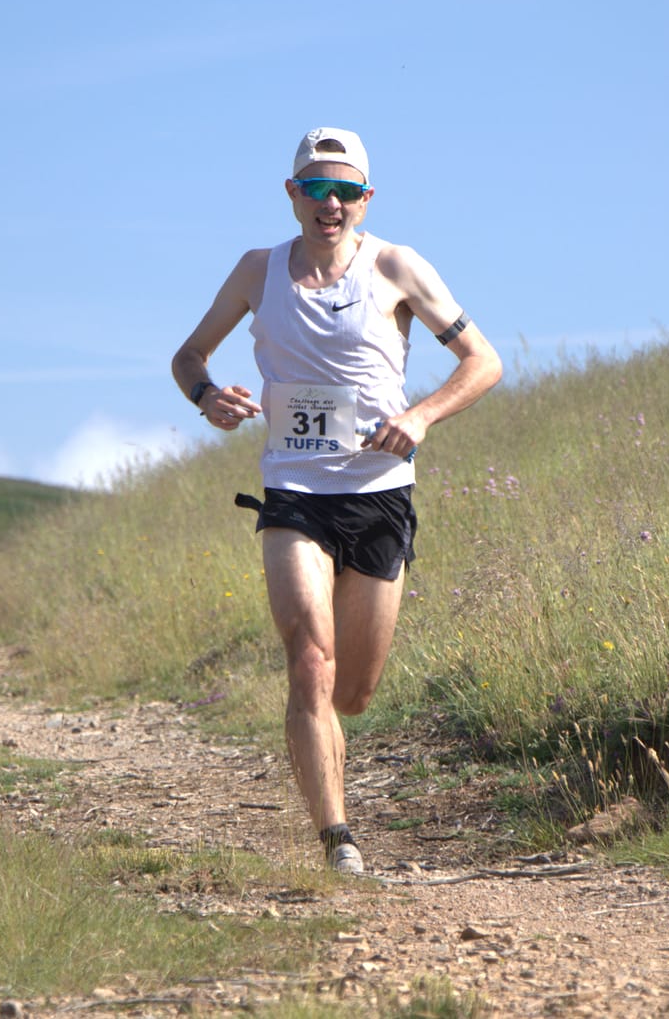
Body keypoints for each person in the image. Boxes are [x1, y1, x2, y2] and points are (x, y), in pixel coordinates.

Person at [171, 128, 502, 876]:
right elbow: (187, 355)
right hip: (293, 492)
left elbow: (485, 361)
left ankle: (332, 778)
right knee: (310, 664)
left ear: (367, 199)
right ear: (292, 193)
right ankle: (336, 838)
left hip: (379, 495)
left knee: (352, 691)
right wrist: (206, 396)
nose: (332, 203)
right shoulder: (258, 272)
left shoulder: (396, 265)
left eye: (347, 190)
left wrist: (419, 417)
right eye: (318, 188)